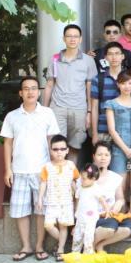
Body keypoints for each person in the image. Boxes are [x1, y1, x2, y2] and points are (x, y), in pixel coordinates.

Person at [1, 76, 60, 262]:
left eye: (34, 88)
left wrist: (54, 167)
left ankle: (39, 246)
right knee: (21, 211)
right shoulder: (12, 116)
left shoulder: (47, 113)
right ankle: (26, 246)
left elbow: (52, 142)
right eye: (26, 89)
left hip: (42, 171)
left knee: (41, 211)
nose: (30, 92)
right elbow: (7, 143)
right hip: (19, 171)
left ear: (39, 92)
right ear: (20, 93)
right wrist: (8, 169)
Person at [43, 24, 97, 165]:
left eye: (75, 36)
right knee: (56, 145)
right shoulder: (55, 59)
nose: (72, 39)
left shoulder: (88, 60)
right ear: (64, 38)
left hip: (79, 108)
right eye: (69, 36)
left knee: (75, 145)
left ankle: (70, 174)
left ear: (80, 39)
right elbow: (49, 85)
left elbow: (90, 87)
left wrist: (89, 112)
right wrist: (44, 110)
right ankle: (56, 175)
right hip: (58, 108)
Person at [38, 135, 79, 261]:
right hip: (51, 201)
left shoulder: (71, 165)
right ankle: (64, 240)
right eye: (55, 149)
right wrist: (40, 198)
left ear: (67, 150)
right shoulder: (47, 167)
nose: (59, 152)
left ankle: (61, 249)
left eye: (62, 149)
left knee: (63, 226)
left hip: (66, 202)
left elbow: (75, 181)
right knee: (48, 225)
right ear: (50, 151)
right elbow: (43, 183)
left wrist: (77, 195)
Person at [90, 42, 131, 146]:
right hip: (103, 129)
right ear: (105, 57)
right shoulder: (98, 79)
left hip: (126, 130)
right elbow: (94, 107)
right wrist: (94, 133)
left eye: (117, 53)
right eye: (110, 54)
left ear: (122, 56)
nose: (114, 57)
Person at [72, 163, 108, 254]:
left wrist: (107, 210)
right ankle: (75, 254)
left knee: (88, 238)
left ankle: (87, 255)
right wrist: (76, 213)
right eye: (81, 178)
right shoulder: (80, 188)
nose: (81, 180)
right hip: (80, 217)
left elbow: (102, 200)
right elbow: (77, 201)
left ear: (93, 179)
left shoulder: (96, 188)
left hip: (90, 219)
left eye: (84, 179)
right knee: (77, 237)